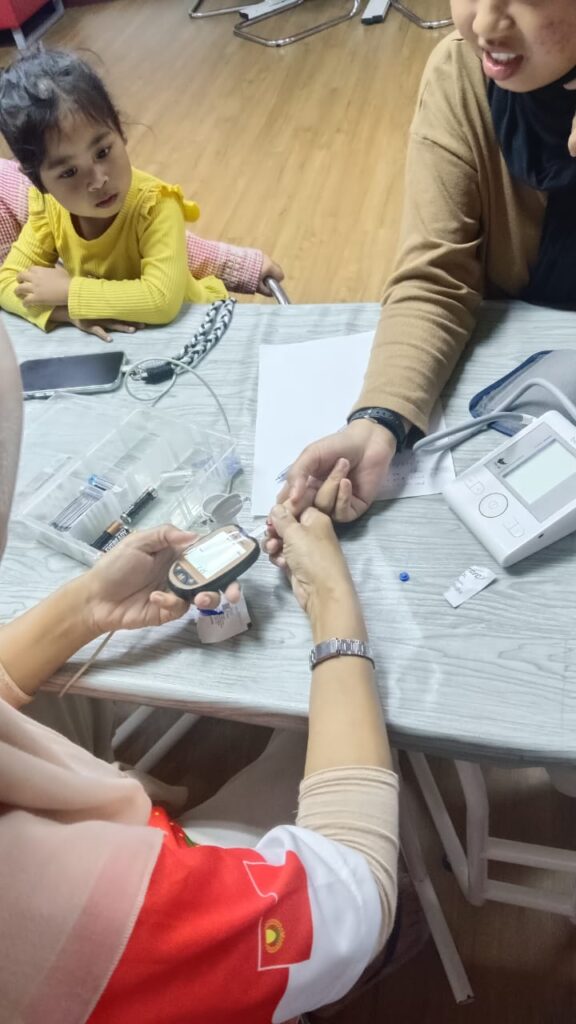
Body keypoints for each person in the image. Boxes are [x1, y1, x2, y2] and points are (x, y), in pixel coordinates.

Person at [0, 318, 402, 1022]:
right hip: (127, 932)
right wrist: (333, 604)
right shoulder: (54, 910)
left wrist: (87, 607)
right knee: (318, 750)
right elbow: (356, 889)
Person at [272, 0, 576, 531]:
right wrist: (379, 420)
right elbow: (438, 275)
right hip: (520, 394)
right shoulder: (462, 73)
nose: (485, 23)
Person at [0, 48, 283, 343]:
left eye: (103, 152)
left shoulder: (156, 204)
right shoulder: (47, 206)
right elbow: (5, 282)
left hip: (198, 329)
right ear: (38, 182)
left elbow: (161, 301)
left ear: (120, 131)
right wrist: (66, 312)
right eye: (69, 172)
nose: (98, 180)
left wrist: (70, 291)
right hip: (132, 345)